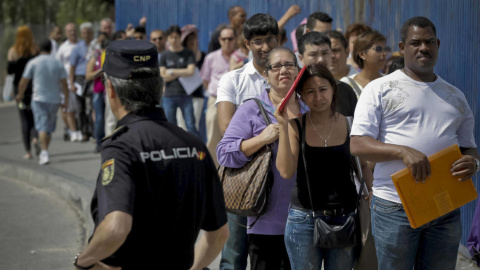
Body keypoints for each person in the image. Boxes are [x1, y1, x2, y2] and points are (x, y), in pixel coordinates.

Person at [74, 40, 228, 270]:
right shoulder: (193, 144)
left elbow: (116, 226)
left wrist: (83, 262)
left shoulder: (121, 147)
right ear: (159, 87)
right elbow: (218, 234)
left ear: (111, 90)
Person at [350, 16, 479, 269]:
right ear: (402, 47)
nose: (423, 48)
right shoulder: (379, 89)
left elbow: (468, 147)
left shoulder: (455, 95)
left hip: (445, 206)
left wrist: (473, 162)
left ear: (438, 44)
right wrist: (403, 151)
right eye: (415, 42)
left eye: (429, 42)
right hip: (395, 207)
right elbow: (357, 144)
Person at [217, 47, 309, 270]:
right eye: (276, 66)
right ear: (265, 75)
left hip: (308, 220)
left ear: (298, 71)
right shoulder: (252, 109)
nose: (283, 70)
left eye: (289, 64)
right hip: (268, 222)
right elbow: (224, 153)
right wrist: (261, 139)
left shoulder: (311, 107)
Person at [275, 63, 373, 270]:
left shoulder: (350, 123)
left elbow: (364, 166)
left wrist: (371, 191)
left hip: (345, 218)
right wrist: (283, 127)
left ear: (333, 89)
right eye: (310, 91)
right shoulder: (296, 126)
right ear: (301, 95)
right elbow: (285, 171)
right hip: (304, 219)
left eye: (323, 89)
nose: (318, 97)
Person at [216, 13, 279, 270]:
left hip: (284, 179)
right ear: (247, 45)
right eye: (258, 41)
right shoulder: (233, 80)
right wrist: (265, 137)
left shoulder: (294, 76)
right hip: (243, 177)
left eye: (270, 40)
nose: (265, 47)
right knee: (234, 253)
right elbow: (227, 131)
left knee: (273, 255)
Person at [17, 39, 69, 165]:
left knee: (42, 126)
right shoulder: (57, 64)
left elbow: (23, 81)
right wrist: (66, 100)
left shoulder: (33, 62)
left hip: (39, 98)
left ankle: (44, 152)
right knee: (49, 127)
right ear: (51, 49)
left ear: (38, 48)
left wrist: (20, 94)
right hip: (54, 100)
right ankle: (45, 151)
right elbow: (64, 84)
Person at [297, 31, 357, 117]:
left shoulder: (345, 91)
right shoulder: (295, 94)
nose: (321, 59)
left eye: (325, 53)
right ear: (301, 58)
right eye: (314, 54)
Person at [200, 26, 236, 167]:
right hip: (215, 100)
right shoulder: (211, 58)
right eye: (224, 39)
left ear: (235, 39)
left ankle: (231, 168)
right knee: (213, 137)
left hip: (236, 101)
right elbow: (205, 80)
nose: (227, 41)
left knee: (234, 136)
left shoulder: (240, 57)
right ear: (219, 40)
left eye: (230, 38)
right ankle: (213, 169)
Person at [159, 25, 199, 137]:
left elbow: (191, 71)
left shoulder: (188, 53)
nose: (174, 40)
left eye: (176, 37)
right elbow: (163, 75)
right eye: (171, 37)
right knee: (170, 126)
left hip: (185, 94)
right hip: (169, 95)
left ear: (180, 37)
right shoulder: (164, 56)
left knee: (190, 125)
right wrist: (182, 71)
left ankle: (196, 150)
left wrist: (171, 71)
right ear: (168, 39)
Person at [7, 25, 39, 160]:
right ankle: (35, 138)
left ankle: (28, 151)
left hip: (19, 89)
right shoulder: (35, 49)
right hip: (34, 86)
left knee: (24, 118)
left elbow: (9, 71)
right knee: (35, 115)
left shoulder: (13, 51)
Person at [341, 30, 390, 98]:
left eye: (385, 49)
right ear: (362, 54)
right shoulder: (346, 84)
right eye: (378, 49)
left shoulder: (390, 83)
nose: (384, 54)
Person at [178, 24, 206, 140]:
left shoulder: (203, 56)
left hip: (196, 96)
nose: (192, 41)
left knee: (193, 127)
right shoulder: (179, 56)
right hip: (181, 96)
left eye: (194, 38)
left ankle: (193, 153)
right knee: (181, 126)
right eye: (189, 39)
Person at [70, 22, 94, 142]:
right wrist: (71, 83)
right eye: (84, 33)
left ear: (92, 33)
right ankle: (84, 132)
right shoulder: (77, 48)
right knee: (81, 108)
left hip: (93, 77)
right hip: (79, 79)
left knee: (93, 106)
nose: (87, 35)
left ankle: (94, 131)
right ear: (81, 34)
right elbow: (72, 66)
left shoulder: (95, 46)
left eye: (89, 32)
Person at [86, 32, 109, 153]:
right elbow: (88, 75)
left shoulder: (113, 60)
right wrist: (101, 70)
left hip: (111, 93)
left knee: (111, 119)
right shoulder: (95, 60)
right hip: (98, 93)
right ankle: (99, 142)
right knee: (99, 118)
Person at [56, 23, 80, 142]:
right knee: (68, 107)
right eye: (69, 31)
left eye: (74, 30)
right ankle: (72, 130)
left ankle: (80, 129)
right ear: (66, 33)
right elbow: (57, 65)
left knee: (80, 107)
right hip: (67, 82)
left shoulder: (82, 45)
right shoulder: (63, 48)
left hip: (80, 80)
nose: (72, 33)